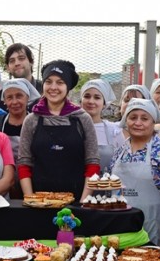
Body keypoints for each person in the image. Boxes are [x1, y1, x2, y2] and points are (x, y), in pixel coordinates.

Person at [18, 60, 99, 201]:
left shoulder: (82, 118)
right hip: (38, 202)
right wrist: (30, 199)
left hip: (76, 200)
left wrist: (83, 203)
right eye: (48, 82)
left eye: (60, 82)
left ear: (68, 87)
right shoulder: (32, 120)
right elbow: (24, 163)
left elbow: (92, 164)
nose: (53, 87)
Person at [109, 98, 160, 246]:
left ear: (153, 123)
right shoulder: (120, 151)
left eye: (144, 118)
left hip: (153, 225)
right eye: (133, 118)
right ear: (126, 121)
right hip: (120, 225)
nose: (138, 123)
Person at [0, 79, 41, 199]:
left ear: (27, 98)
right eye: (9, 97)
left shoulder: (37, 123)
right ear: (4, 101)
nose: (14, 101)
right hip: (3, 182)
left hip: (32, 181)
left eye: (19, 96)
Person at [78, 79, 126, 169]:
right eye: (87, 96)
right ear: (81, 101)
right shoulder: (72, 128)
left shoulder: (114, 131)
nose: (91, 101)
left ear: (104, 104)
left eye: (97, 97)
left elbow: (123, 164)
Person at [0, 43, 43, 112]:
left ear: (31, 62)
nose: (17, 63)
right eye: (12, 61)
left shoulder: (44, 90)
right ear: (7, 67)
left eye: (21, 58)